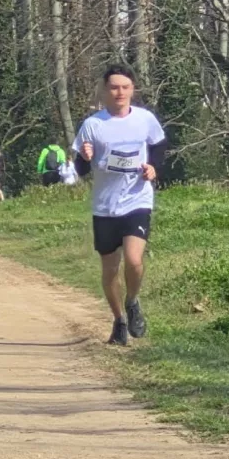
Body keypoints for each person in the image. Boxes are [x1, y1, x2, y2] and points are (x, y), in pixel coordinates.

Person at [72, 63, 166, 346]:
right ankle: (119, 320)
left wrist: (153, 167)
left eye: (125, 87)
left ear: (132, 89)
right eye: (114, 87)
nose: (119, 92)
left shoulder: (145, 119)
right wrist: (85, 157)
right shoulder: (93, 125)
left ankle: (133, 301)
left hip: (137, 200)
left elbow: (159, 146)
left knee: (134, 261)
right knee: (110, 269)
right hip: (105, 206)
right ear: (104, 90)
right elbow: (80, 169)